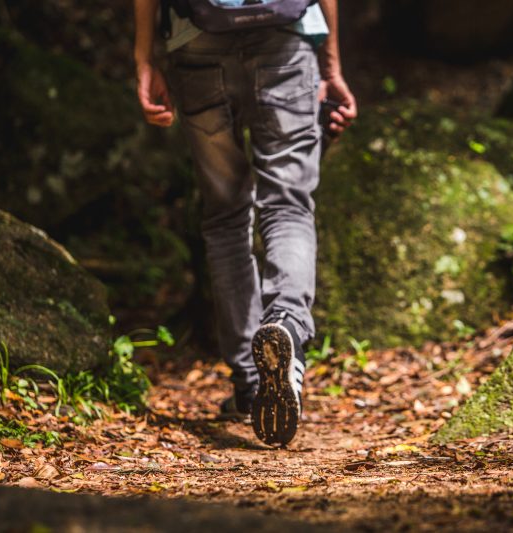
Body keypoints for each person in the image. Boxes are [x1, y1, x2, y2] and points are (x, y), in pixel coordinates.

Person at [132, 0, 357, 446]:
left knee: (225, 217)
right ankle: (287, 329)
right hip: (285, 41)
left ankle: (252, 382)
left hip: (197, 44)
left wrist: (145, 58)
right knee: (288, 205)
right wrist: (331, 66)